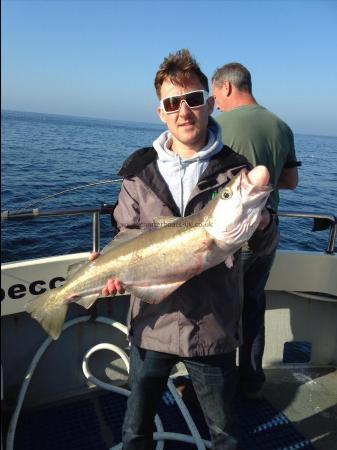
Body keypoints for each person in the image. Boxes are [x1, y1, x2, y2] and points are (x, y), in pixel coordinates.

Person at [98, 50, 279, 450]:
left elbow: (264, 244)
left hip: (212, 327)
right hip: (152, 324)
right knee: (135, 432)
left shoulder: (236, 169)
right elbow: (125, 231)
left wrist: (264, 224)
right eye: (172, 103)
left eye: (194, 99)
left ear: (211, 103)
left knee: (225, 434)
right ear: (160, 113)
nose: (184, 110)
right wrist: (113, 275)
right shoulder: (138, 171)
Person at [212, 62, 300, 399]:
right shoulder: (282, 126)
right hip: (267, 234)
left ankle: (215, 388)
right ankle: (250, 383)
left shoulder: (217, 124)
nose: (215, 102)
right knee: (252, 307)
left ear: (228, 87)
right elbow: (291, 181)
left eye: (216, 93)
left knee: (217, 312)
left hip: (228, 238)